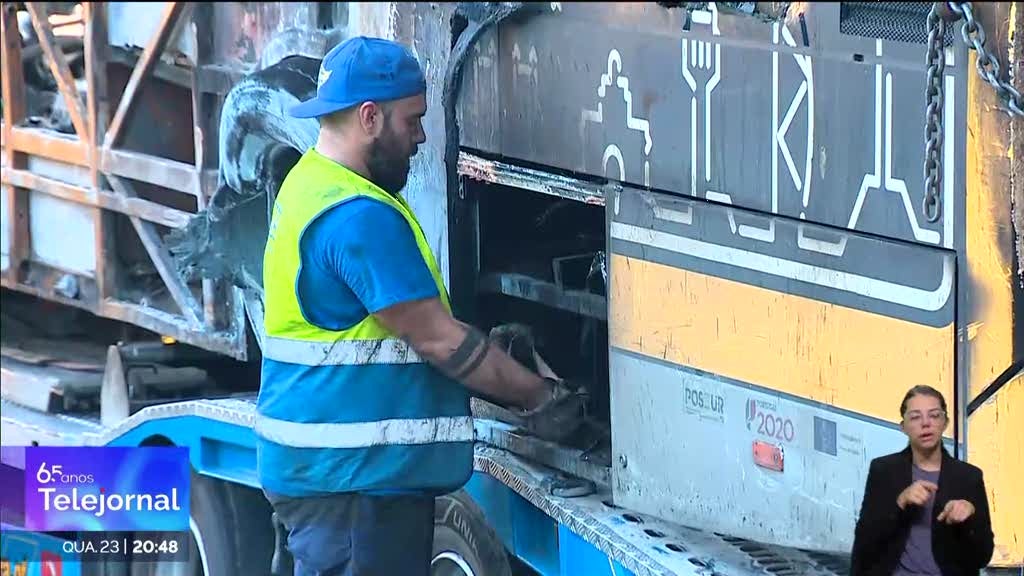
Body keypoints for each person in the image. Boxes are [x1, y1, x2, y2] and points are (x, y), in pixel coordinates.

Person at [253, 36, 577, 576]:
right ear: (370, 116)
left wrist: (488, 353)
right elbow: (438, 339)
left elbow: (387, 331)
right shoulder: (357, 216)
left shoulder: (312, 184)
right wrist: (540, 398)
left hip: (330, 476)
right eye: (413, 120)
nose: (422, 136)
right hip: (356, 484)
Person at [850, 385, 994, 576]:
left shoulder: (968, 477)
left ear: (945, 422)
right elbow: (864, 543)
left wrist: (970, 519)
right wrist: (899, 503)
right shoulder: (884, 470)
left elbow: (982, 557)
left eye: (934, 415)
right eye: (915, 417)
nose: (926, 423)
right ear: (903, 427)